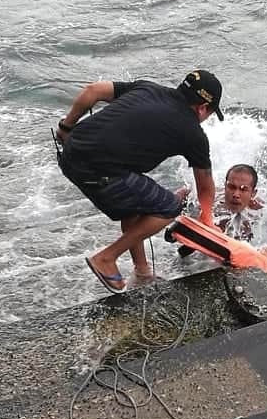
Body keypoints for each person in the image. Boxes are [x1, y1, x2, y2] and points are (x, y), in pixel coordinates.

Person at [56, 69, 223, 293]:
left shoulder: (147, 87)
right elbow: (204, 185)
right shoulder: (193, 133)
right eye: (209, 113)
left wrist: (66, 127)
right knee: (169, 206)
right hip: (97, 171)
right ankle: (106, 258)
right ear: (203, 107)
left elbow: (92, 91)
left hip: (70, 153)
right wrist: (207, 219)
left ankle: (142, 272)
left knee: (134, 203)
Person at [166, 163, 263, 255]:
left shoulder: (257, 212)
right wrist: (173, 201)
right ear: (225, 186)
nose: (236, 194)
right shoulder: (211, 198)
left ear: (253, 193)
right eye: (231, 187)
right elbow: (188, 191)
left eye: (243, 189)